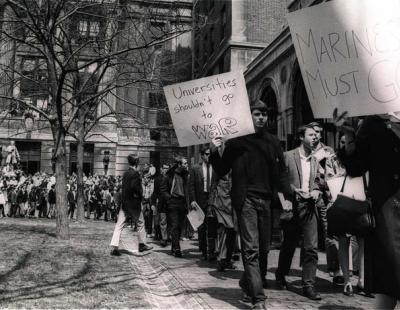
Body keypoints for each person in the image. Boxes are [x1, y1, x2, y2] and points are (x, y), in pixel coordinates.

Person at [210, 100, 292, 310]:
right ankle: (258, 298)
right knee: (251, 249)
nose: (262, 118)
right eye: (257, 114)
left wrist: (287, 198)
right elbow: (220, 169)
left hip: (267, 201)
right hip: (245, 200)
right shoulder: (236, 143)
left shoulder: (273, 142)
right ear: (249, 117)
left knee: (264, 248)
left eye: (264, 114)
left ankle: (247, 282)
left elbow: (282, 173)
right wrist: (213, 150)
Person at [334, 109, 400, 309]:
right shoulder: (373, 122)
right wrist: (347, 134)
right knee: (391, 274)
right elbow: (356, 168)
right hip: (388, 210)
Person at [275, 125, 324, 301]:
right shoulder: (288, 156)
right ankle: (280, 275)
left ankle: (308, 285)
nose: (316, 137)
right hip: (292, 206)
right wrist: (289, 195)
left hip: (310, 207)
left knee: (311, 247)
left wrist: (317, 191)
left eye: (317, 135)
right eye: (311, 135)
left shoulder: (316, 160)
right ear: (301, 137)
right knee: (289, 245)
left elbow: (318, 181)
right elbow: (279, 181)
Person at [324, 135, 368, 297]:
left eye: (350, 142)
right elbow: (329, 180)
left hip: (359, 202)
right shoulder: (333, 159)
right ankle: (347, 280)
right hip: (342, 204)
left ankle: (362, 280)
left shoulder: (362, 159)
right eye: (343, 142)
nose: (346, 146)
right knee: (343, 240)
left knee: (362, 241)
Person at [308, 122, 344, 286]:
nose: (316, 135)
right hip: (305, 196)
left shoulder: (328, 151)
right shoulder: (301, 151)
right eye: (313, 132)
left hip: (324, 195)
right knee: (306, 235)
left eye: (319, 132)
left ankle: (335, 269)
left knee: (330, 233)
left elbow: (334, 173)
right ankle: (305, 270)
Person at [110, 154, 152, 256]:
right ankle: (142, 244)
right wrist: (140, 193)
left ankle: (114, 247)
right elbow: (134, 187)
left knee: (119, 225)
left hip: (125, 204)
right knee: (141, 223)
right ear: (136, 163)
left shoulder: (125, 174)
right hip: (134, 203)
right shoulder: (135, 174)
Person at [189, 146, 218, 261]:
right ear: (201, 155)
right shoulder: (196, 168)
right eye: (206, 154)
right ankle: (203, 250)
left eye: (209, 154)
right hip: (200, 199)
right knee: (201, 226)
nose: (208, 156)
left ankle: (211, 252)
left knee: (211, 225)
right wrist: (192, 200)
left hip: (211, 199)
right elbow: (191, 186)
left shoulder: (215, 168)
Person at [160, 156, 190, 258]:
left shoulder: (186, 175)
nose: (187, 165)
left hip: (182, 203)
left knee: (179, 226)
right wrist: (169, 198)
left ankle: (174, 247)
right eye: (185, 163)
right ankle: (177, 248)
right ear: (179, 164)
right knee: (174, 225)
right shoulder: (169, 175)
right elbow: (163, 189)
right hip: (173, 202)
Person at [208, 172, 238, 272]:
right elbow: (213, 186)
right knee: (226, 229)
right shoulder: (220, 167)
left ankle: (227, 259)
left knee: (232, 231)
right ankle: (222, 259)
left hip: (233, 203)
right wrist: (210, 204)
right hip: (221, 203)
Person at [151, 163, 170, 247]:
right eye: (164, 168)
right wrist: (153, 203)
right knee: (163, 221)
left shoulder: (171, 178)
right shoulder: (157, 179)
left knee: (170, 221)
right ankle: (164, 238)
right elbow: (155, 192)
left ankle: (168, 236)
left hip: (170, 203)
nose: (166, 170)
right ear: (161, 169)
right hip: (162, 203)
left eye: (167, 168)